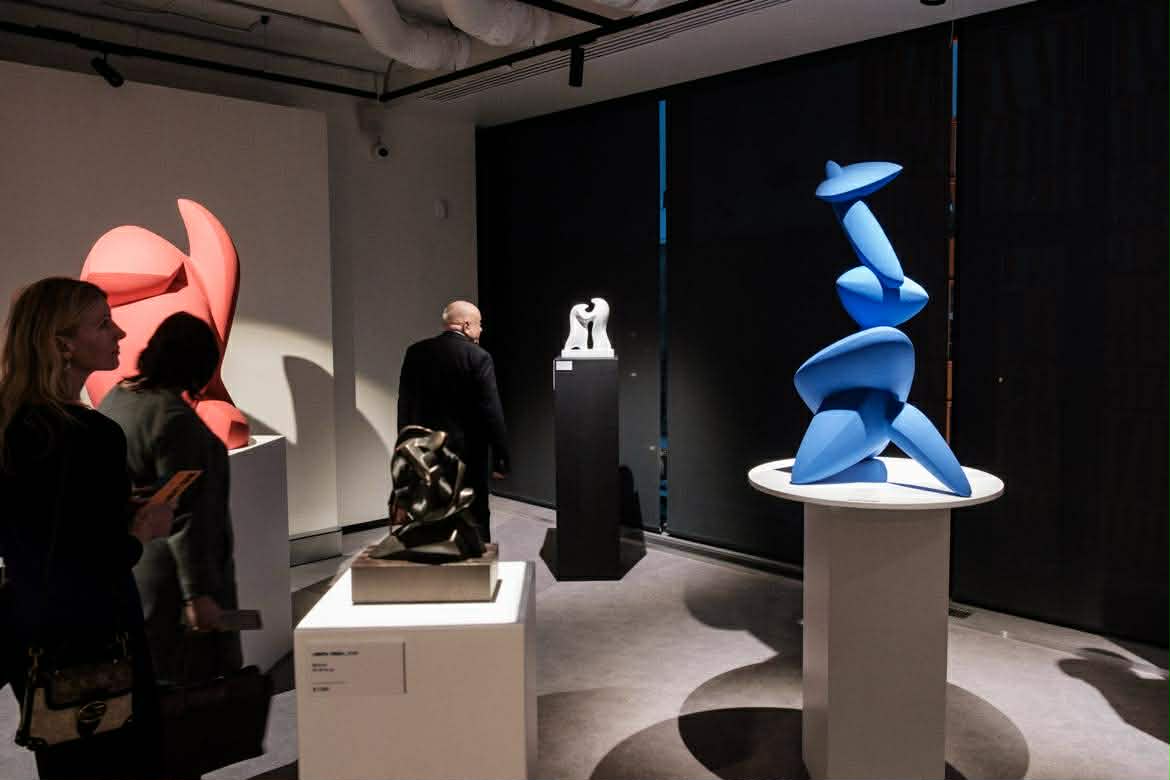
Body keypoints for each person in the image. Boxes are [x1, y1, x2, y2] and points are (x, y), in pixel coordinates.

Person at [0, 277, 172, 780]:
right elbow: (101, 558)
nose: (120, 333)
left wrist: (112, 509)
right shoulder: (93, 436)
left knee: (64, 761)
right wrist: (143, 529)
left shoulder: (11, 426)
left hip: (32, 631)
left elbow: (35, 525)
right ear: (62, 345)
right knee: (122, 759)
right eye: (103, 324)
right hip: (97, 634)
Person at [99, 312, 242, 686]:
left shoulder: (117, 399)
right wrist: (199, 594)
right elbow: (184, 513)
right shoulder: (174, 419)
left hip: (132, 568)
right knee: (192, 688)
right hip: (170, 584)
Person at [397, 300, 510, 542]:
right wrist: (501, 457)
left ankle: (435, 556)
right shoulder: (478, 357)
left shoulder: (415, 352)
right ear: (467, 325)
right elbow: (491, 410)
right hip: (467, 453)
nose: (481, 330)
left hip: (425, 450)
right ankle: (476, 555)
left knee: (430, 508)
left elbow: (404, 405)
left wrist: (405, 447)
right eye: (479, 324)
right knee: (473, 511)